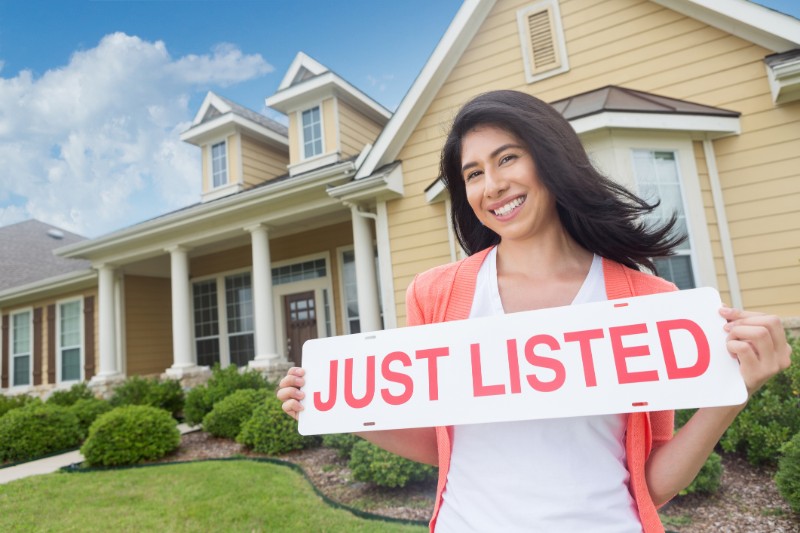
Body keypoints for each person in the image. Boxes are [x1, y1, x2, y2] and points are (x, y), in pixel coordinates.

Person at [277, 90, 791, 532]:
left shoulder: (647, 302)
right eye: (473, 173)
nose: (492, 185)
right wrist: (336, 407)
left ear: (551, 159)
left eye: (507, 159)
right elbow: (447, 445)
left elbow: (651, 482)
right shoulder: (435, 294)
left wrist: (733, 393)